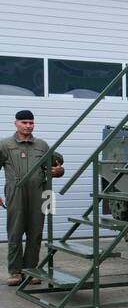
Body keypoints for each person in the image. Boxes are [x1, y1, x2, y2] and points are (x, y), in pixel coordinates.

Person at [1, 109, 65, 286]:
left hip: (41, 193)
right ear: (16, 123)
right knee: (15, 232)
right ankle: (15, 272)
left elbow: (57, 165)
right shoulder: (5, 145)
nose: (28, 126)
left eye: (31, 122)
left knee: (35, 233)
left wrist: (59, 171)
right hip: (16, 192)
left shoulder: (42, 145)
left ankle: (31, 270)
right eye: (24, 123)